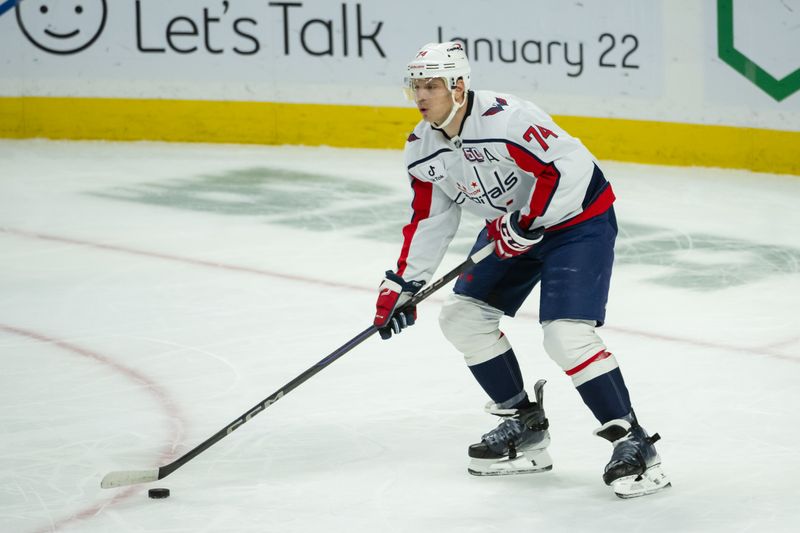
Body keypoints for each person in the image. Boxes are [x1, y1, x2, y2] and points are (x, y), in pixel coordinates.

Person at [372, 41, 671, 499]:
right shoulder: (422, 148)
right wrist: (404, 283)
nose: (421, 97)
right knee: (462, 316)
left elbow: (566, 171)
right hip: (512, 229)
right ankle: (523, 424)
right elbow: (430, 219)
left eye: (431, 86)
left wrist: (527, 222)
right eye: (416, 87)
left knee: (565, 334)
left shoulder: (509, 119)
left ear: (458, 85)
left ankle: (633, 441)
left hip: (577, 222)